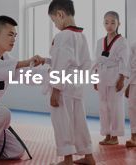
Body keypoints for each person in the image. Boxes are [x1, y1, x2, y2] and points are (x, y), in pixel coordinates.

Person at [0, 15, 44, 165]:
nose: (13, 39)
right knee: (3, 113)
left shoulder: (8, 61)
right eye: (10, 34)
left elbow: (28, 75)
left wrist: (57, 75)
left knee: (15, 150)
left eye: (15, 35)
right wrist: (25, 62)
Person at [47, 0, 95, 164]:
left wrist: (55, 89)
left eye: (54, 21)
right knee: (79, 121)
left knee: (62, 121)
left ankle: (67, 158)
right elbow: (86, 63)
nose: (55, 25)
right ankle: (88, 156)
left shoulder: (63, 35)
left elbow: (60, 63)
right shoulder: (81, 36)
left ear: (60, 14)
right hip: (76, 85)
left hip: (63, 87)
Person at [93, 11, 130, 145]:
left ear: (118, 23)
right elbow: (97, 61)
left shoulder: (122, 42)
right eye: (106, 22)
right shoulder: (99, 42)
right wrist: (95, 78)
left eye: (112, 22)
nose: (109, 25)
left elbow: (124, 61)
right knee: (103, 106)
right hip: (102, 75)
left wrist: (122, 78)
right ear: (103, 23)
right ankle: (107, 134)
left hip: (115, 75)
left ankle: (115, 136)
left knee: (115, 106)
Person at [125, 42, 136, 147]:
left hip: (133, 82)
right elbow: (131, 67)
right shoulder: (133, 46)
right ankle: (134, 137)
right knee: (132, 109)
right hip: (133, 82)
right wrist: (128, 85)